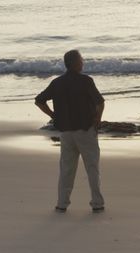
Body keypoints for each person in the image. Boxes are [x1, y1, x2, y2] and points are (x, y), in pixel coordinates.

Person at [35, 50, 106, 213]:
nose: (83, 62)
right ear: (75, 63)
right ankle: (97, 203)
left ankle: (62, 204)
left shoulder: (57, 83)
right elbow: (100, 103)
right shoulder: (86, 81)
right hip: (85, 130)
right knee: (92, 168)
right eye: (81, 60)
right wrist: (98, 120)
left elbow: (39, 101)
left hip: (66, 132)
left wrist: (54, 115)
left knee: (67, 170)